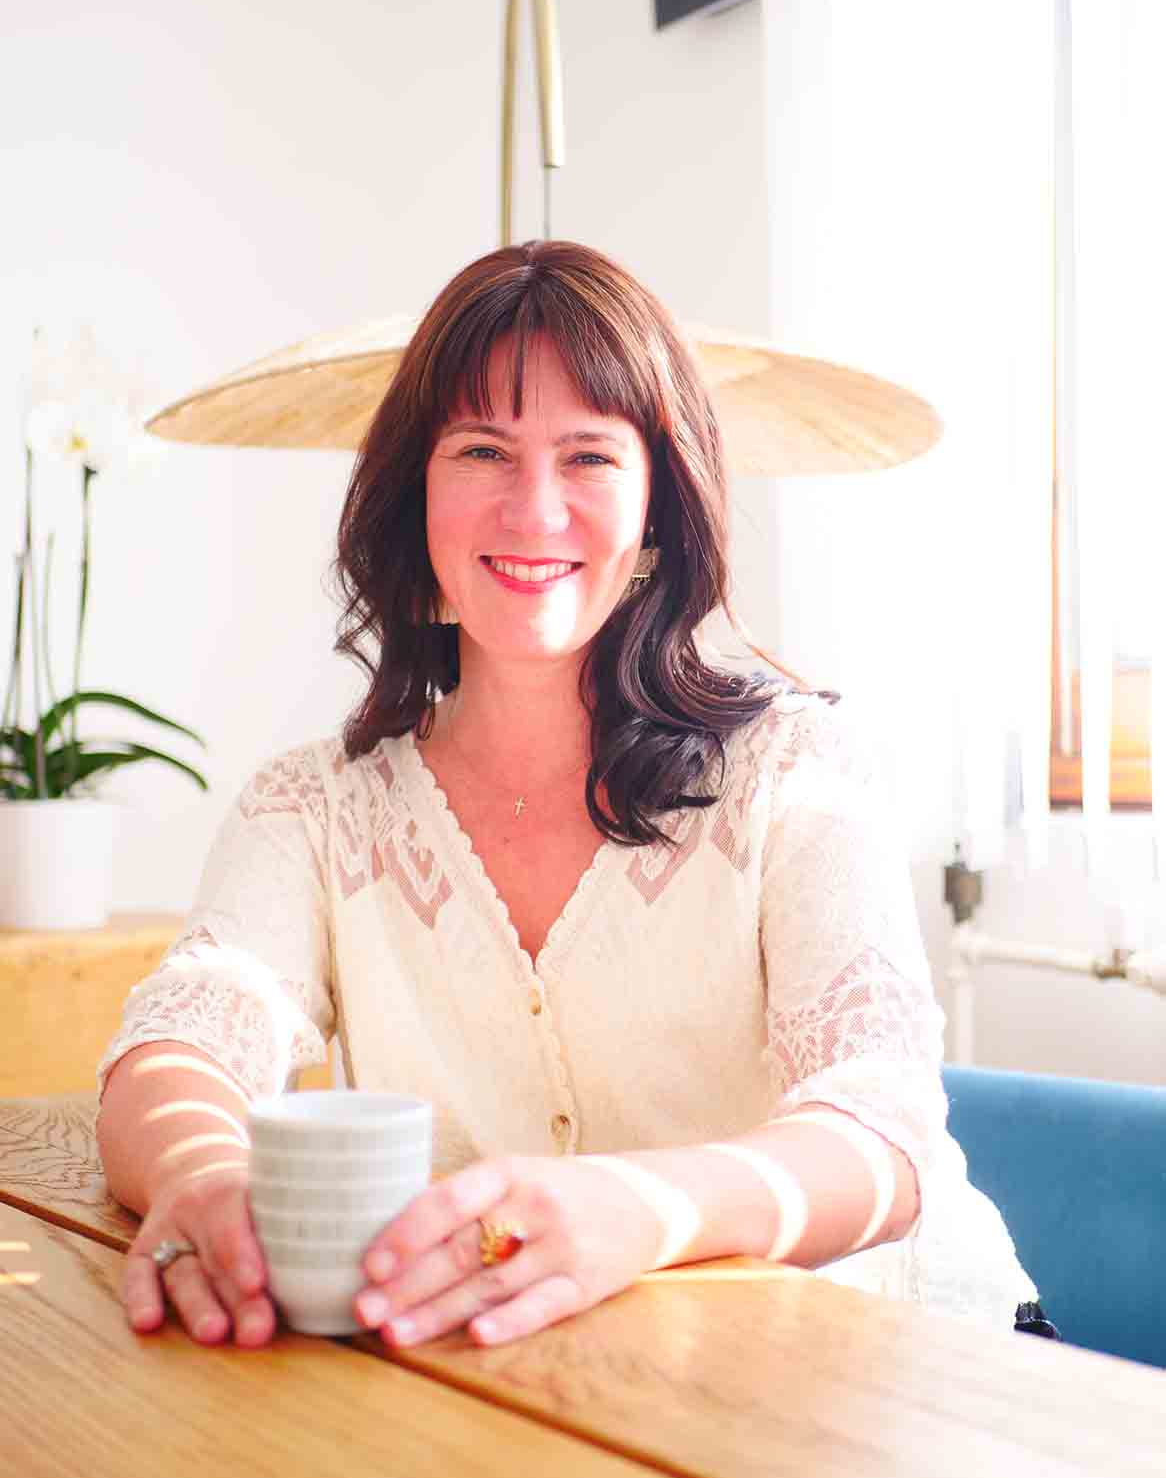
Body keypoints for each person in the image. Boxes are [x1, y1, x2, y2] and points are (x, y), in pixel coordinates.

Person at [96, 239, 1036, 1352]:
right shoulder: (314, 807)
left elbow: (881, 1134)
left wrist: (644, 1209)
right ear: (414, 497)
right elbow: (182, 1039)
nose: (533, 510)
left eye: (587, 456)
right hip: (553, 1387)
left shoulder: (798, 772)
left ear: (657, 506)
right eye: (482, 450)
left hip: (904, 1366)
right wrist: (203, 1174)